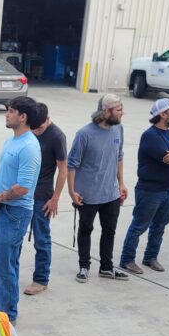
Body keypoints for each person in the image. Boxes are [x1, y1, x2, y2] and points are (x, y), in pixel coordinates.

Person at [0, 96, 41, 322]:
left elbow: (23, 188)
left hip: (15, 213)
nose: (6, 114)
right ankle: (3, 304)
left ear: (23, 117)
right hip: (1, 209)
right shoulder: (12, 141)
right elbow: (5, 179)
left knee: (3, 265)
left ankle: (7, 315)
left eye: (10, 111)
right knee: (0, 262)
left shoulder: (29, 147)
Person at [120, 98, 169, 274]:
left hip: (168, 190)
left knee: (159, 226)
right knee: (139, 226)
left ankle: (150, 257)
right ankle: (127, 259)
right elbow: (165, 159)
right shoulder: (150, 136)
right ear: (163, 114)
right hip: (150, 190)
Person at [67, 94, 129, 282]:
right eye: (119, 110)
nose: (123, 113)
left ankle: (106, 267)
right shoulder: (84, 134)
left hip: (111, 193)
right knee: (86, 229)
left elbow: (119, 156)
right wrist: (72, 191)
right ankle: (84, 266)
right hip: (87, 195)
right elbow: (72, 164)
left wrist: (121, 183)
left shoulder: (118, 129)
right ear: (107, 111)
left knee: (109, 231)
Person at [24, 102, 68, 295]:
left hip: (42, 195)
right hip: (22, 192)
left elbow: (63, 169)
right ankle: (6, 272)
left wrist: (55, 198)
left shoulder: (57, 136)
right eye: (34, 128)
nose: (36, 131)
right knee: (13, 237)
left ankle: (41, 279)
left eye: (40, 128)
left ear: (47, 119)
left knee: (41, 239)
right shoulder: (29, 129)